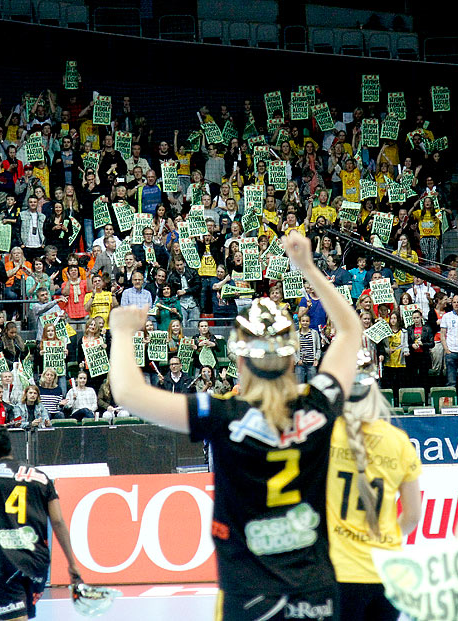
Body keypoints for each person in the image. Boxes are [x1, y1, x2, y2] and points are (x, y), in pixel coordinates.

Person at [107, 231, 361, 621]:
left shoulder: (222, 415)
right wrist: (306, 267)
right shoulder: (319, 405)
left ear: (239, 362)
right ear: (293, 359)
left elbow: (126, 392)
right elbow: (350, 331)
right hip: (316, 592)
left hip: (249, 596)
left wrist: (122, 332)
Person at [326, 352, 421, 621]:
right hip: (388, 572)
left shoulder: (328, 433)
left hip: (340, 573)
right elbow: (413, 516)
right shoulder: (399, 441)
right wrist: (384, 536)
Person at [0, 425, 83, 621]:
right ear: (10, 448)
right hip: (38, 564)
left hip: (7, 564)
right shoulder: (41, 477)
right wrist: (72, 564)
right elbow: (58, 521)